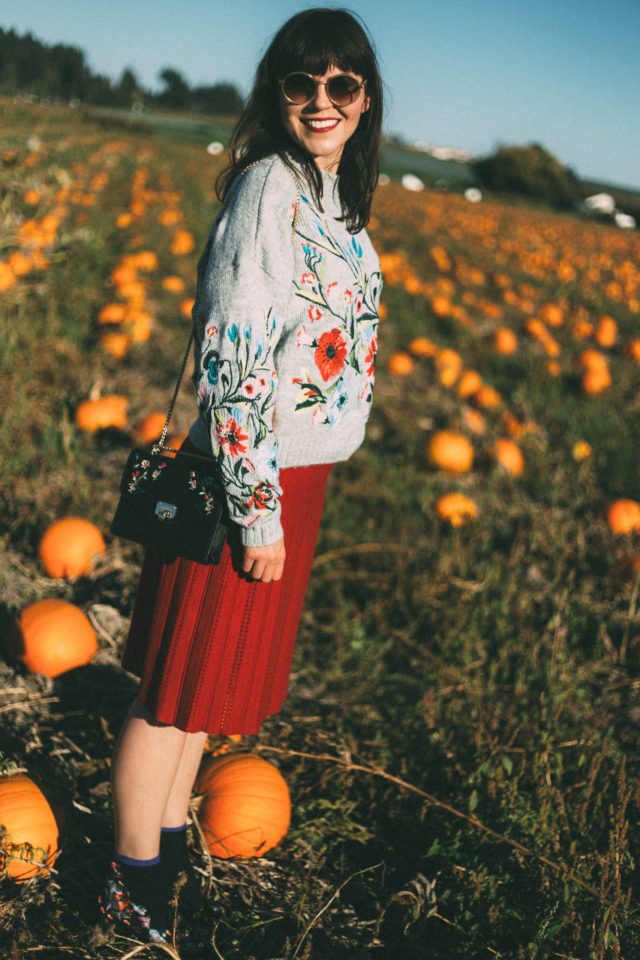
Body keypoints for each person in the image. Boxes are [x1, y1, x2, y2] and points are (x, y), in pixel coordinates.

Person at [99, 7, 383, 944]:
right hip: (244, 479)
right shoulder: (269, 188)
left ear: (364, 97)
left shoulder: (334, 200)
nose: (320, 100)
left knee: (206, 696)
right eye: (301, 84)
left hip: (294, 478)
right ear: (277, 94)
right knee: (174, 692)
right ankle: (128, 884)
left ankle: (165, 853)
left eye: (340, 84)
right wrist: (257, 511)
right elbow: (233, 357)